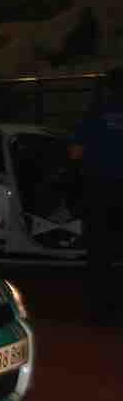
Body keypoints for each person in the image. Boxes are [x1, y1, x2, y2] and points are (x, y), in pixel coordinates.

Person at [71, 67, 123, 325]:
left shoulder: (94, 113)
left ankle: (101, 307)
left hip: (99, 189)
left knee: (99, 249)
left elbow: (75, 153)